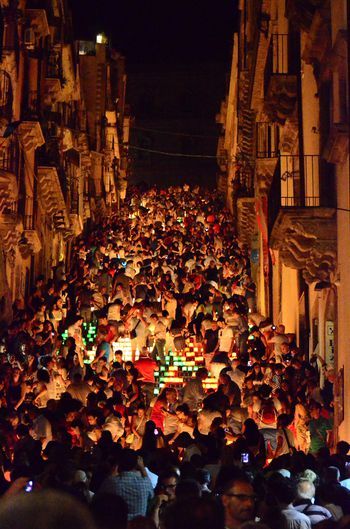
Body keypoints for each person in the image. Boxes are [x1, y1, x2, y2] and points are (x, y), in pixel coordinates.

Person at [98, 450, 154, 520]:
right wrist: (142, 467)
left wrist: (111, 474)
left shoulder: (112, 482)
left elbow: (99, 497)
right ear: (136, 464)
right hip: (139, 525)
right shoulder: (145, 483)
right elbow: (152, 496)